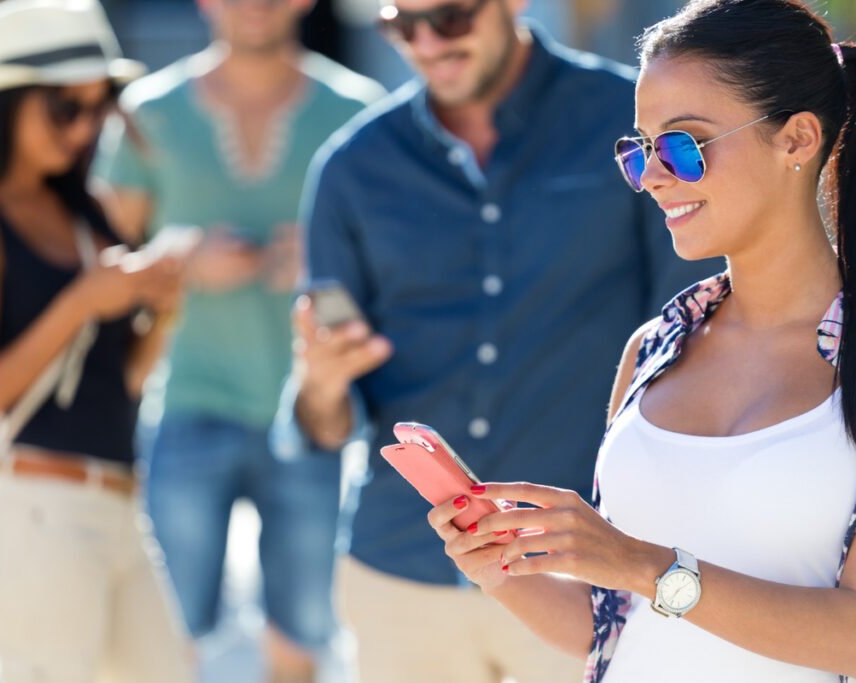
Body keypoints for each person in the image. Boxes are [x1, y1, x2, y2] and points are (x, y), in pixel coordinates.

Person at [427, 1, 856, 681]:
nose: (654, 176)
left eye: (684, 144)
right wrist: (497, 568)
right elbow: (612, 630)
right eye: (639, 148)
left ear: (797, 140)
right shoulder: (653, 351)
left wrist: (635, 559)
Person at [271, 0, 722, 680]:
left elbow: (697, 331)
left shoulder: (626, 125)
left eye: (451, 17)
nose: (427, 43)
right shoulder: (351, 168)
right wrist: (322, 381)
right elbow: (318, 424)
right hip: (403, 577)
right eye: (401, 25)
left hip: (583, 572)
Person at [94, 1, 384, 680]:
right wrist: (182, 260)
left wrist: (321, 265)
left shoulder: (357, 109)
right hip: (186, 405)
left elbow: (390, 270)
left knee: (300, 641)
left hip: (311, 415)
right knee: (165, 636)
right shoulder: (149, 110)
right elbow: (101, 268)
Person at [0, 1, 195, 682]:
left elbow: (120, 380)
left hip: (121, 506)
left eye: (97, 107)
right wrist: (82, 301)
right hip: (39, 514)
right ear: (4, 104)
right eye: (63, 109)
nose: (83, 129)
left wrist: (161, 309)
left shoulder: (89, 212)